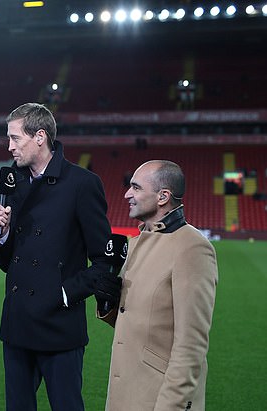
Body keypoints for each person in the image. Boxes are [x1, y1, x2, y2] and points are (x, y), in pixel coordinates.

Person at [0, 103, 116, 411]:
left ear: (40, 137)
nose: (9, 147)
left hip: (59, 326)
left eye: (15, 138)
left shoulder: (82, 184)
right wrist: (2, 234)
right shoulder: (13, 182)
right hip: (17, 324)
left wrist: (62, 294)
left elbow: (105, 262)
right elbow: (8, 263)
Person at [99, 160, 218, 411]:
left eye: (136, 188)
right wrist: (109, 305)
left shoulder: (192, 247)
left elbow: (191, 344)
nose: (127, 194)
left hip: (158, 398)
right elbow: (144, 321)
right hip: (125, 394)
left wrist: (172, 405)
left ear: (163, 196)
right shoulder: (133, 244)